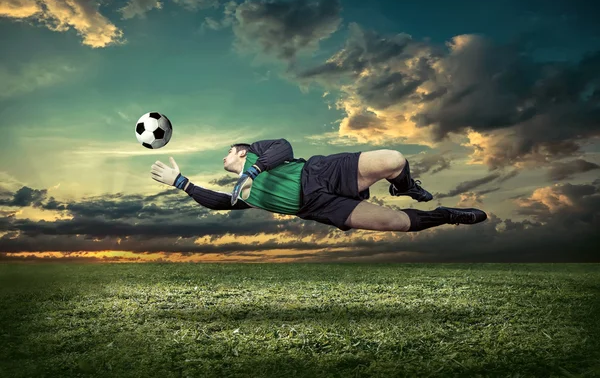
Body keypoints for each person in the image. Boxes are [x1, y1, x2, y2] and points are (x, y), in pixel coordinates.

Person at [150, 138, 487, 232]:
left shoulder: (255, 153)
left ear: (239, 152)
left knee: (394, 160)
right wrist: (181, 183)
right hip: (318, 208)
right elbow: (219, 202)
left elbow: (285, 147)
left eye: (227, 153)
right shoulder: (244, 196)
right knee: (396, 223)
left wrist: (253, 172)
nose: (224, 157)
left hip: (319, 173)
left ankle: (403, 185)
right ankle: (447, 215)